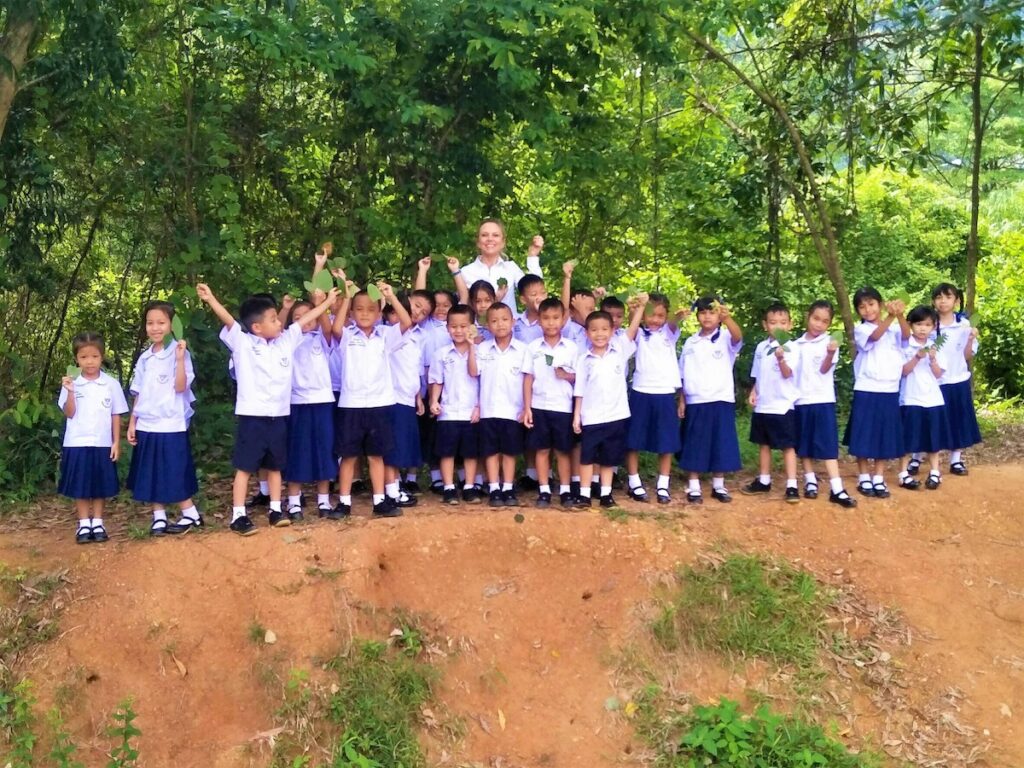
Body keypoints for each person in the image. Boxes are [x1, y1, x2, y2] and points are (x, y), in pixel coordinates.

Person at [197, 282, 338, 535]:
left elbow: (306, 318)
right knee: (245, 467)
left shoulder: (286, 342)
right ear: (256, 327)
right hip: (253, 417)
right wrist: (211, 299)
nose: (279, 323)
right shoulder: (244, 344)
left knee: (275, 466)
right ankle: (238, 515)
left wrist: (326, 304)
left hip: (279, 417)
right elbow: (230, 321)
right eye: (274, 319)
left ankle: (275, 509)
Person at [330, 280, 413, 518]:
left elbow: (407, 322)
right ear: (353, 312)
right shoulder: (347, 335)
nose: (365, 313)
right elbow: (335, 328)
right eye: (359, 309)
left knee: (377, 455)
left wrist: (391, 297)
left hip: (379, 404)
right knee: (348, 455)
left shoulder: (385, 336)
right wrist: (347, 297)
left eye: (371, 309)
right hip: (351, 404)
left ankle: (380, 500)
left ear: (379, 313)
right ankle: (344, 502)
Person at [125, 301, 201, 536]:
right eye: (150, 323)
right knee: (150, 471)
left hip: (171, 423)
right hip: (147, 423)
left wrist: (178, 359)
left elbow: (180, 387)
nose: (155, 328)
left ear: (171, 325)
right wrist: (132, 422)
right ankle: (159, 516)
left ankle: (191, 514)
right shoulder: (144, 358)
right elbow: (138, 392)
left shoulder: (180, 352)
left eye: (161, 322)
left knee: (174, 469)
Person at [58, 332, 129, 544]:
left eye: (94, 356)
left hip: (102, 442)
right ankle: (83, 523)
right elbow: (69, 413)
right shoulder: (71, 383)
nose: (89, 362)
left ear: (102, 356)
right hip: (76, 442)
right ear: (76, 359)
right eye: (83, 357)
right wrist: (70, 391)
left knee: (100, 484)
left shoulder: (111, 384)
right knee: (80, 485)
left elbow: (115, 414)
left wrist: (116, 442)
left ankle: (97, 522)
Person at [572, 302, 644, 507]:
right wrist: (577, 416)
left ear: (613, 331)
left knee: (608, 458)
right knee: (587, 458)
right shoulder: (583, 359)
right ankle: (585, 495)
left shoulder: (619, 351)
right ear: (586, 333)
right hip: (591, 417)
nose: (600, 334)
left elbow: (631, 330)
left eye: (605, 329)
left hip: (616, 415)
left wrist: (640, 308)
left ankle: (605, 494)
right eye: (594, 330)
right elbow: (579, 390)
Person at [842, 287, 909, 498]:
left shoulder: (894, 329)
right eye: (862, 306)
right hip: (867, 387)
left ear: (879, 305)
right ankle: (863, 476)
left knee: (884, 434)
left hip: (889, 388)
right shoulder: (861, 330)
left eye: (871, 304)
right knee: (863, 434)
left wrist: (900, 314)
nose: (867, 309)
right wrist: (890, 316)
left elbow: (907, 335)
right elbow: (875, 336)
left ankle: (879, 477)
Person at [677, 297, 744, 504]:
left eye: (712, 312)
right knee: (695, 442)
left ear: (719, 316)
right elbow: (682, 373)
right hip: (696, 400)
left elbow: (738, 337)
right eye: (703, 312)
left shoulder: (725, 338)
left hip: (720, 398)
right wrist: (682, 399)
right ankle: (694, 485)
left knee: (720, 442)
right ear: (697, 315)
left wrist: (728, 318)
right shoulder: (690, 342)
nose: (707, 316)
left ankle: (718, 484)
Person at [792, 301, 856, 507]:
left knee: (827, 443)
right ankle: (810, 479)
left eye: (825, 321)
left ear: (829, 324)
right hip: (800, 399)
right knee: (804, 443)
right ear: (807, 316)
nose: (819, 324)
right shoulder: (795, 345)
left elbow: (824, 369)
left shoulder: (830, 342)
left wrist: (829, 353)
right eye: (816, 318)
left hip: (823, 399)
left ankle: (836, 487)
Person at [282, 289, 337, 522]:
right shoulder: (286, 341)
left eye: (309, 316)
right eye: (298, 317)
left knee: (325, 450)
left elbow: (326, 327)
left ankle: (323, 499)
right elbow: (277, 326)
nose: (304, 321)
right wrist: (285, 309)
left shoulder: (322, 339)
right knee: (298, 450)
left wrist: (322, 303)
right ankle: (294, 500)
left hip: (322, 402)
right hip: (297, 403)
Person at [624, 293, 683, 504]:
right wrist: (637, 305)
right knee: (633, 440)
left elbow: (675, 321)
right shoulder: (638, 333)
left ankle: (663, 484)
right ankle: (634, 482)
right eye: (651, 315)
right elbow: (633, 320)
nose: (655, 319)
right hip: (640, 390)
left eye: (660, 315)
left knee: (666, 441)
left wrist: (678, 314)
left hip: (665, 392)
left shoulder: (670, 333)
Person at [742, 303, 800, 503]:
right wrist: (753, 391)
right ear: (765, 325)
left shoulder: (793, 347)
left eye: (783, 322)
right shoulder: (761, 347)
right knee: (763, 443)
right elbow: (757, 374)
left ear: (790, 325)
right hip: (763, 403)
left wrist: (781, 359)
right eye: (773, 322)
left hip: (783, 405)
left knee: (787, 445)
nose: (778, 326)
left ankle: (792, 485)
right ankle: (764, 480)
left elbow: (788, 374)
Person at [920, 283, 980, 476]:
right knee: (929, 420)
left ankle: (956, 460)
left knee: (958, 420)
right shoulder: (928, 324)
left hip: (958, 378)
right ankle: (916, 457)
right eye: (938, 297)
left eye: (948, 297)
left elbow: (967, 356)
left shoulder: (964, 325)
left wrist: (971, 338)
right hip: (933, 381)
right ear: (933, 301)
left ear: (956, 300)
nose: (943, 301)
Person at [523, 297, 577, 508]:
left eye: (556, 318)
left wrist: (566, 375)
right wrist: (527, 407)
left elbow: (579, 377)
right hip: (538, 405)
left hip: (563, 406)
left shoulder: (571, 348)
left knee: (563, 450)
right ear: (539, 320)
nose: (551, 322)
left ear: (563, 319)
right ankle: (544, 490)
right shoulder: (533, 347)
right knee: (542, 449)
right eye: (546, 318)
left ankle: (564, 490)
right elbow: (528, 378)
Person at [472, 303, 528, 507]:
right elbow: (473, 375)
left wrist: (526, 408)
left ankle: (508, 486)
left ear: (513, 321)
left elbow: (528, 381)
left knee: (510, 451)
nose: (500, 324)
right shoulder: (482, 348)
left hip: (513, 410)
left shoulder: (523, 350)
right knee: (491, 451)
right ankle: (494, 487)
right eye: (494, 321)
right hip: (488, 409)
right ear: (487, 325)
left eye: (505, 319)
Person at [428, 304, 482, 505]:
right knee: (447, 451)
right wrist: (434, 400)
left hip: (471, 411)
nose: (458, 331)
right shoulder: (441, 354)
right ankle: (449, 487)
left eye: (463, 326)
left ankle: (469, 486)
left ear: (472, 327)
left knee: (470, 452)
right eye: (454, 326)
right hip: (448, 411)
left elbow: (476, 374)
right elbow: (436, 380)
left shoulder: (480, 351)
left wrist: (472, 347)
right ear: (447, 328)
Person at [897, 306, 953, 490]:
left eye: (928, 324)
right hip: (911, 398)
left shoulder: (937, 346)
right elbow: (903, 371)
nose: (923, 328)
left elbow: (938, 375)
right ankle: (903, 473)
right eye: (918, 323)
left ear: (934, 326)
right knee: (908, 438)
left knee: (933, 438)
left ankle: (935, 472)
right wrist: (916, 357)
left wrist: (932, 359)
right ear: (910, 325)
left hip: (933, 399)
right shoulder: (904, 346)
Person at [459, 218, 544, 314]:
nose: (490, 239)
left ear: (503, 242)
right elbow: (462, 309)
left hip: (509, 328)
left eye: (495, 235)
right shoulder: (465, 272)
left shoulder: (511, 268)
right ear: (478, 241)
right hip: (478, 328)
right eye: (484, 235)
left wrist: (532, 256)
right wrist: (495, 299)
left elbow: (535, 290)